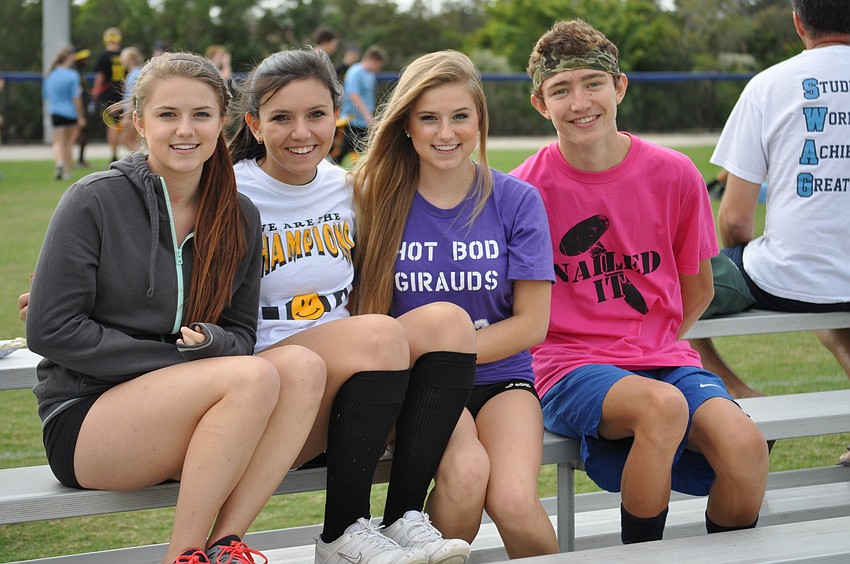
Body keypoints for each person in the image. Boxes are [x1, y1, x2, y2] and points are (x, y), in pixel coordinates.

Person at [25, 52, 325, 564]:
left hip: (187, 420)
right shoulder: (93, 200)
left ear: (222, 123)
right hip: (88, 418)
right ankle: (183, 555)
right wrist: (181, 362)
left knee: (303, 366)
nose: (185, 130)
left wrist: (211, 345)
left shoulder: (238, 215)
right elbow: (50, 330)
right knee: (250, 379)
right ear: (139, 121)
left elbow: (239, 336)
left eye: (201, 115)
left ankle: (226, 543)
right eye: (168, 115)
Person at [509, 19, 769, 544]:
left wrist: (653, 338)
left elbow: (697, 289)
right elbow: (518, 310)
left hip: (662, 359)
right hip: (568, 364)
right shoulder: (523, 190)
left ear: (620, 86)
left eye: (593, 83)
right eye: (561, 90)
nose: (580, 101)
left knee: (744, 448)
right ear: (541, 104)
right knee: (661, 407)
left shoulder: (674, 174)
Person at [228, 48, 476, 564]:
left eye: (317, 115)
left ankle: (405, 517)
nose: (302, 132)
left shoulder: (347, 187)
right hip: (276, 381)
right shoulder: (230, 190)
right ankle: (340, 530)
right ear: (253, 123)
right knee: (379, 334)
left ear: (335, 117)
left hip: (360, 380)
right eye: (282, 118)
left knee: (449, 322)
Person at [350, 50, 559, 558]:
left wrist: (450, 355)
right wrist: (430, 365)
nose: (446, 132)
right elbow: (359, 313)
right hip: (415, 384)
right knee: (466, 476)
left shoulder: (516, 200)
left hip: (501, 378)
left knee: (514, 502)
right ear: (405, 125)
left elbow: (532, 324)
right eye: (428, 118)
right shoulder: (370, 197)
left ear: (480, 122)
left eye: (460, 116)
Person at [687, 0, 850, 409]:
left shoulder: (769, 85)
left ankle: (741, 398)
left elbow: (736, 219)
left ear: (798, 23)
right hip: (828, 282)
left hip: (788, 279)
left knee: (663, 286)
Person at [334, 45, 387, 165]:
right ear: (373, 60)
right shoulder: (355, 71)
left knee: (365, 152)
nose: (378, 69)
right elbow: (354, 95)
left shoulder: (370, 75)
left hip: (364, 122)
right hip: (352, 120)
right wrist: (367, 116)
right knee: (342, 153)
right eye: (378, 65)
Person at [43, 46, 86, 180]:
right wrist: (80, 116)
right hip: (70, 112)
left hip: (55, 111)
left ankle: (59, 162)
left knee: (58, 142)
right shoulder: (72, 75)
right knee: (69, 143)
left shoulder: (50, 75)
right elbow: (76, 98)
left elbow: (46, 95)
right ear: (68, 58)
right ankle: (67, 169)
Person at [92, 27, 126, 162]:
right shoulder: (124, 55)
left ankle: (114, 154)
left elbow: (100, 77)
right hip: (123, 93)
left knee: (111, 125)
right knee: (124, 123)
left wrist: (95, 93)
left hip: (107, 94)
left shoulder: (104, 57)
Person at [117, 46, 144, 151]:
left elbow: (134, 96)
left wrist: (127, 116)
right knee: (133, 141)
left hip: (132, 112)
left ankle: (143, 162)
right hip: (133, 111)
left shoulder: (134, 74)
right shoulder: (135, 73)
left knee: (125, 140)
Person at [72, 48, 93, 168]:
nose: (85, 60)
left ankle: (80, 159)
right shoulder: (75, 73)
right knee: (76, 134)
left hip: (83, 106)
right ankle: (70, 160)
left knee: (84, 135)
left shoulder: (80, 72)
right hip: (77, 108)